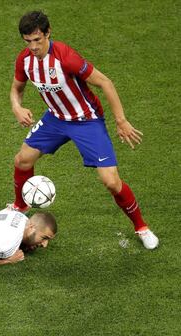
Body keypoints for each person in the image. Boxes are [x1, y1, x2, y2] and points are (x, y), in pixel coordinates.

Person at [9, 10, 158, 249]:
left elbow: (105, 82)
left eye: (38, 40)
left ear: (48, 33)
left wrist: (121, 120)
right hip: (55, 119)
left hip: (86, 120)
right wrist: (17, 107)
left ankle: (141, 227)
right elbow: (16, 88)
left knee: (111, 181)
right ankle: (20, 207)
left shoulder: (66, 57)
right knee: (23, 160)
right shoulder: (24, 60)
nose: (33, 47)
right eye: (28, 42)